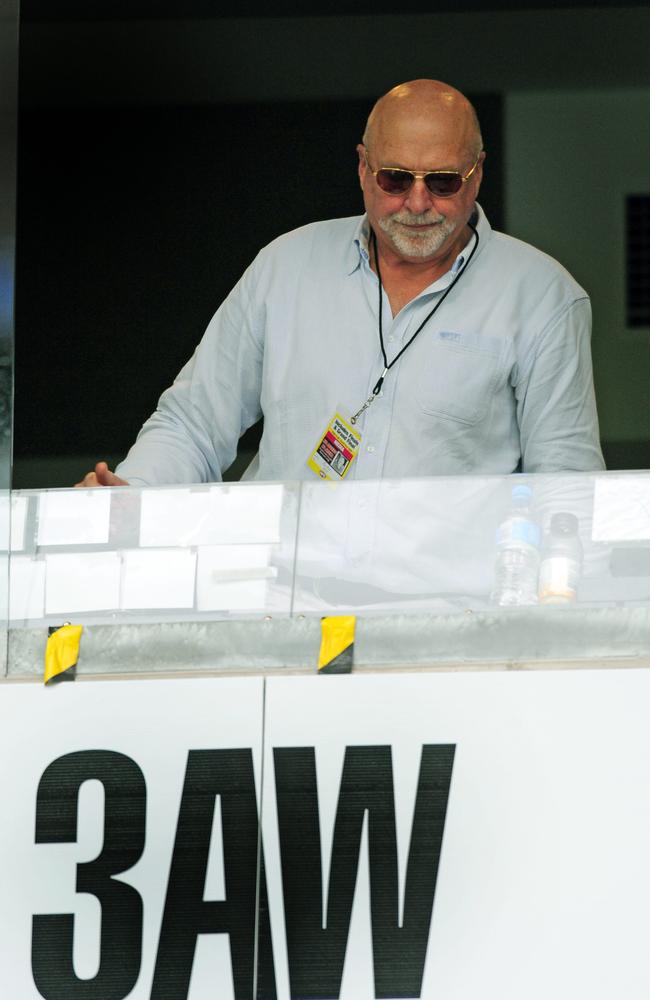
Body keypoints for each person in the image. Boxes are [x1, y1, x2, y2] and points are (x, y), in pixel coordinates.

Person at [76, 78, 604, 489]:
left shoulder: (543, 297)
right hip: (283, 601)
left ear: (478, 173)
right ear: (362, 167)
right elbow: (193, 423)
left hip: (443, 609)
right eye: (394, 179)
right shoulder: (286, 267)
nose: (417, 204)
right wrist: (131, 495)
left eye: (442, 182)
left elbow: (566, 485)